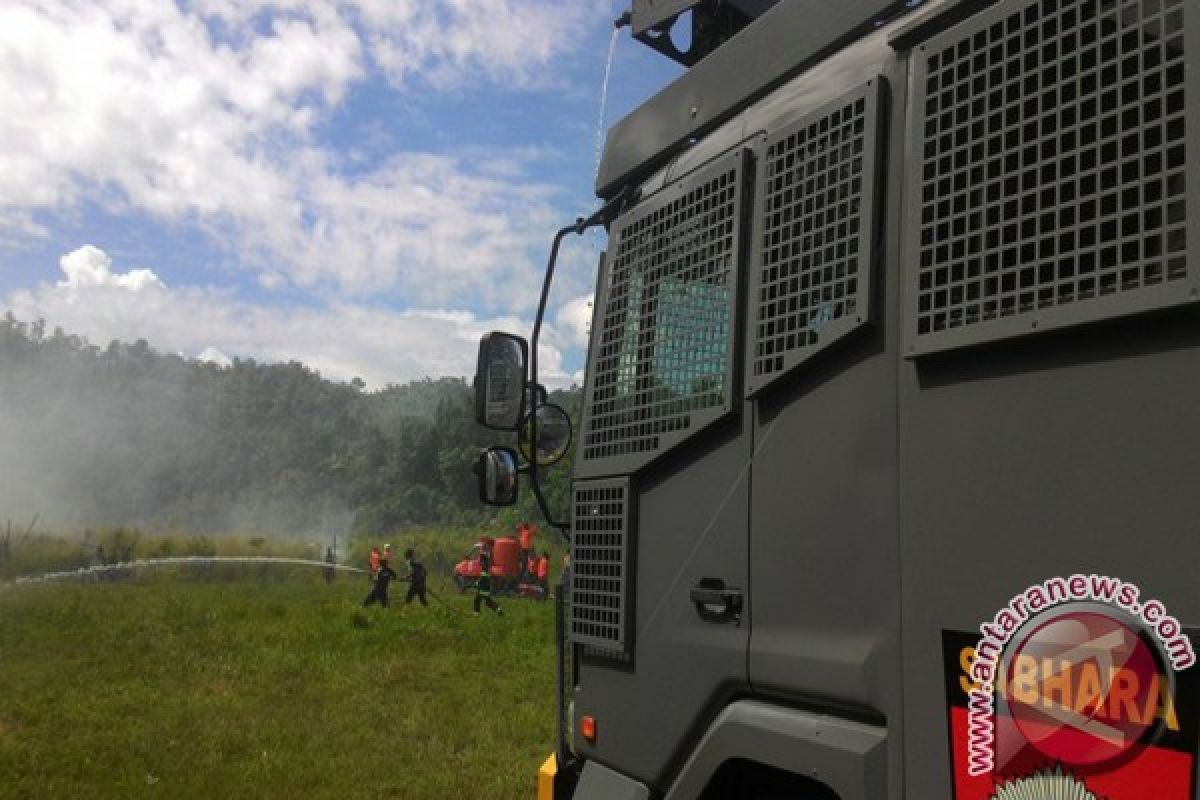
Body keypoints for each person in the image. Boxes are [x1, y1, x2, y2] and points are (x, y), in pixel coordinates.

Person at [473, 548, 503, 616]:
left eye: (480, 560)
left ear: (483, 561)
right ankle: (499, 610)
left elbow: (483, 578)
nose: (479, 562)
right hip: (486, 588)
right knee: (488, 602)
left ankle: (476, 614)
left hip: (483, 589)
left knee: (477, 601)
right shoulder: (486, 566)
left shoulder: (484, 567)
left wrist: (477, 584)